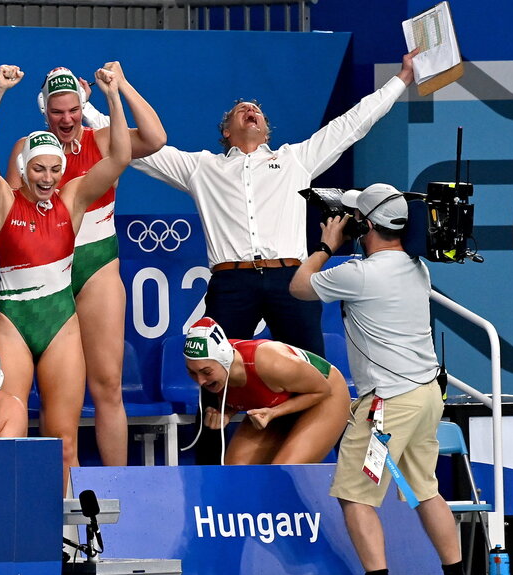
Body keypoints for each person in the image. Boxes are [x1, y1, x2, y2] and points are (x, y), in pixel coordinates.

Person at [133, 48, 421, 359]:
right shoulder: (201, 167)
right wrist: (85, 114)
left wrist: (402, 78)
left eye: (255, 109)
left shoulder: (295, 159)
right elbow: (140, 150)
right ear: (227, 131)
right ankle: (221, 411)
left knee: (312, 373)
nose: (249, 108)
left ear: (267, 131)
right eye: (240, 109)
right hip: (231, 282)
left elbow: (352, 124)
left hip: (291, 278)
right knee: (217, 377)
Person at [289, 182, 483, 575]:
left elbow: (300, 286)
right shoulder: (417, 268)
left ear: (366, 224)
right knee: (423, 489)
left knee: (356, 496)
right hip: (427, 396)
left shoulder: (358, 273)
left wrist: (326, 244)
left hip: (387, 407)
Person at [0, 64, 129, 482]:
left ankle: (75, 543)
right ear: (23, 170)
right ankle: (4, 529)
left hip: (61, 324)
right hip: (13, 325)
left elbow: (122, 155)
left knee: (64, 442)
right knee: (9, 432)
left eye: (54, 169)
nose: (47, 177)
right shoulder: (2, 202)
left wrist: (112, 95)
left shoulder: (72, 198)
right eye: (38, 169)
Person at [4, 64, 166, 467]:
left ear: (83, 106)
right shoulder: (30, 149)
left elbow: (156, 138)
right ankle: (47, 491)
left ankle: (120, 492)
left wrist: (121, 87)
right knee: (49, 398)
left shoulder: (102, 138)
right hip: (45, 272)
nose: (67, 119)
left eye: (73, 109)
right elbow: (8, 212)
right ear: (45, 112)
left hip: (96, 266)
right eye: (58, 112)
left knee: (108, 384)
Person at [181, 316, 349, 465]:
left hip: (324, 393)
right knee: (237, 470)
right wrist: (226, 413)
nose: (201, 381)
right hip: (275, 400)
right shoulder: (213, 369)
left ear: (225, 359)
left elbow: (321, 390)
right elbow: (244, 393)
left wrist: (273, 413)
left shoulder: (270, 362)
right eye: (192, 372)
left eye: (206, 372)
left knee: (284, 469)